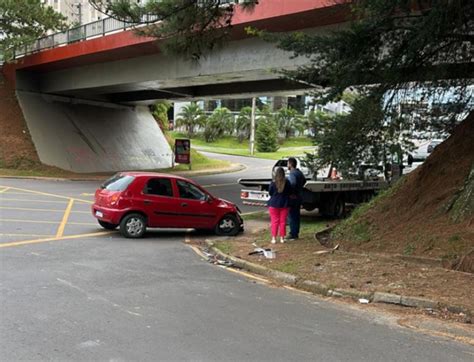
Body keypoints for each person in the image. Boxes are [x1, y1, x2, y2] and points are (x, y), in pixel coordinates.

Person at [267, 167, 291, 244]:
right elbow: (289, 192)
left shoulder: (273, 183)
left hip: (274, 204)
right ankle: (282, 238)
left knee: (274, 221)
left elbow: (270, 192)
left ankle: (274, 238)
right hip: (284, 204)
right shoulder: (287, 182)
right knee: (283, 222)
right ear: (284, 174)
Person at [287, 157, 306, 240]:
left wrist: (291, 192)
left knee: (292, 216)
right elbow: (304, 180)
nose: (287, 165)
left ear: (290, 164)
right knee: (296, 216)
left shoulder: (292, 173)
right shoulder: (299, 172)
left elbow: (293, 183)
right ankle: (296, 232)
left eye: (287, 163)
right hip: (299, 196)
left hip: (293, 198)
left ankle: (293, 233)